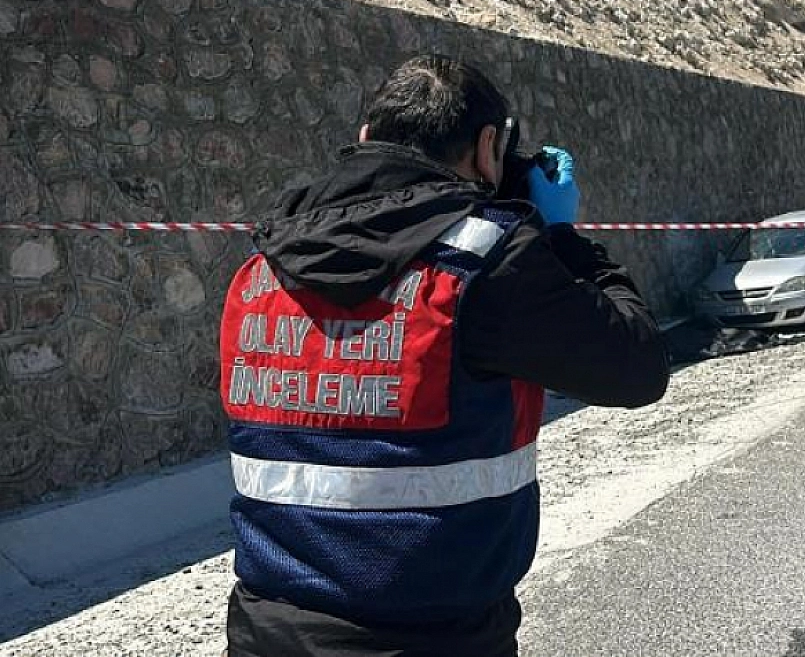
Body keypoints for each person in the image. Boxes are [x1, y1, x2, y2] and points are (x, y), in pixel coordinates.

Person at [219, 55, 669, 657]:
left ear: (363, 141)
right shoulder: (486, 264)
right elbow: (635, 366)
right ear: (489, 148)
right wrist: (560, 237)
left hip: (266, 633)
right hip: (436, 639)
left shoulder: (262, 266)